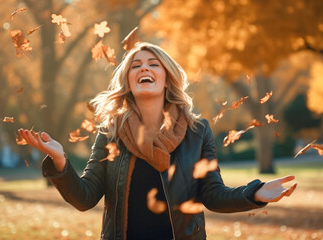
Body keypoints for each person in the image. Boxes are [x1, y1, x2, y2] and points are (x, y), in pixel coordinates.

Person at [18, 42, 297, 240]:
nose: (144, 68)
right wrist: (60, 161)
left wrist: (255, 193)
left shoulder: (197, 131)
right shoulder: (110, 132)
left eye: (153, 64)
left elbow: (213, 195)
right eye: (135, 66)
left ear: (166, 78)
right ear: (128, 81)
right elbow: (84, 197)